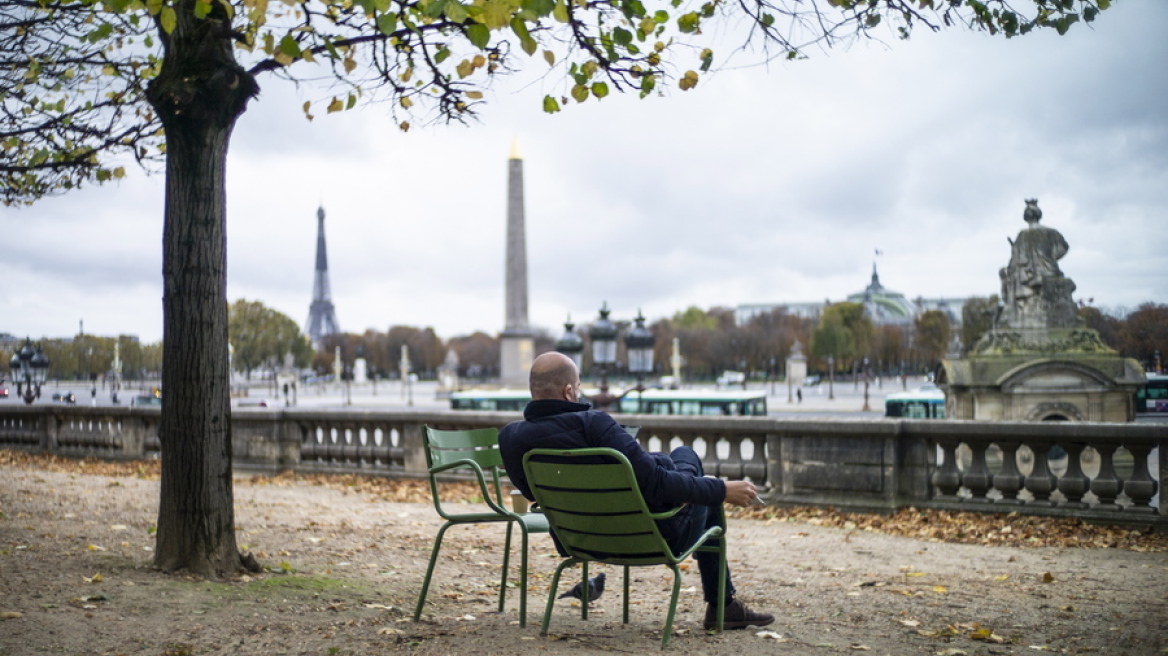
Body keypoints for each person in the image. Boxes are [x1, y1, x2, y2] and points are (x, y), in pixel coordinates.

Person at [499, 352, 775, 631]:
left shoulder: (510, 438)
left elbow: (533, 494)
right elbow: (657, 485)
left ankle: (726, 606)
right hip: (651, 537)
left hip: (578, 539)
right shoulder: (594, 424)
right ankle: (723, 606)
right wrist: (722, 489)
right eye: (579, 387)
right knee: (699, 479)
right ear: (569, 391)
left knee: (678, 463)